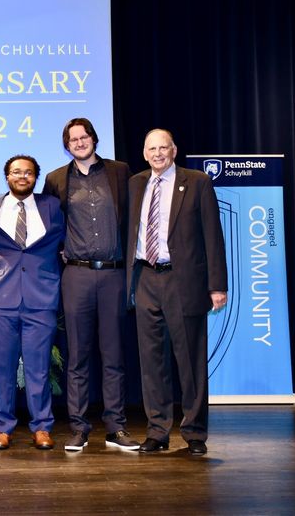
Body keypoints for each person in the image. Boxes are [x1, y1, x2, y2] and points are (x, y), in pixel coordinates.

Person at [126, 129, 228, 455]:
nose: (157, 154)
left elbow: (213, 235)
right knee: (151, 363)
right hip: (145, 278)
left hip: (183, 281)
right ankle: (157, 431)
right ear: (144, 153)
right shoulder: (136, 183)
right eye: (151, 149)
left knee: (190, 362)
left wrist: (217, 286)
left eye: (163, 148)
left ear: (174, 150)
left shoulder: (196, 181)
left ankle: (195, 434)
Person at [43, 117, 139, 452]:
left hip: (114, 274)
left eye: (84, 137)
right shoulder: (56, 179)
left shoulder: (120, 171)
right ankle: (79, 428)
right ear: (66, 145)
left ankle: (116, 427)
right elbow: (49, 225)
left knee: (113, 355)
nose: (80, 142)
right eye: (73, 139)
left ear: (94, 139)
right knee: (77, 357)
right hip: (77, 275)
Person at [0, 155, 65, 451]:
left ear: (35, 177)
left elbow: (67, 243)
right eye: (17, 172)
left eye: (29, 172)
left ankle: (42, 427)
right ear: (7, 176)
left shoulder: (53, 207)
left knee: (39, 369)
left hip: (41, 297)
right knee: (3, 368)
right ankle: (3, 428)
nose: (23, 176)